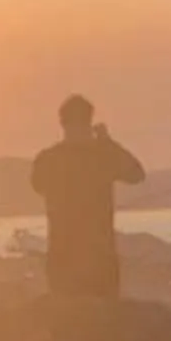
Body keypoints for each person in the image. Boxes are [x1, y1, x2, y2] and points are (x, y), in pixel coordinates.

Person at [30, 94, 145, 298]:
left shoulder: (48, 159)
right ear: (89, 121)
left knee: (66, 323)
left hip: (62, 258)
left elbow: (37, 185)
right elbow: (136, 174)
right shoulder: (102, 156)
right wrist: (107, 143)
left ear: (62, 122)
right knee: (104, 323)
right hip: (100, 258)